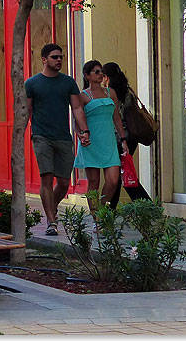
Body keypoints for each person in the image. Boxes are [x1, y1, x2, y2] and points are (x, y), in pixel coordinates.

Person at [25, 43, 91, 236]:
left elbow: (77, 108)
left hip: (63, 136)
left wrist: (84, 130)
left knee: (63, 182)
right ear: (44, 59)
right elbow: (27, 110)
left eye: (61, 57)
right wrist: (28, 131)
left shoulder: (68, 82)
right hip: (41, 136)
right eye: (55, 57)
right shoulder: (32, 83)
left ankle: (50, 208)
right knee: (46, 176)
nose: (59, 60)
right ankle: (51, 222)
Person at [74, 60, 128, 215]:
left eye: (101, 72)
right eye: (96, 72)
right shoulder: (83, 96)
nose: (100, 75)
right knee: (93, 182)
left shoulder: (110, 92)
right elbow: (77, 119)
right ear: (87, 75)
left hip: (109, 141)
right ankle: (96, 219)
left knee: (113, 181)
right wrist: (80, 134)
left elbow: (116, 117)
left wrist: (123, 140)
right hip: (91, 142)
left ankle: (102, 211)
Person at [101, 62, 152, 208]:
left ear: (107, 77)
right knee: (120, 175)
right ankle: (112, 210)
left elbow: (115, 117)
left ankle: (146, 207)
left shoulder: (111, 93)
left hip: (118, 139)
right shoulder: (127, 91)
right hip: (130, 138)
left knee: (120, 176)